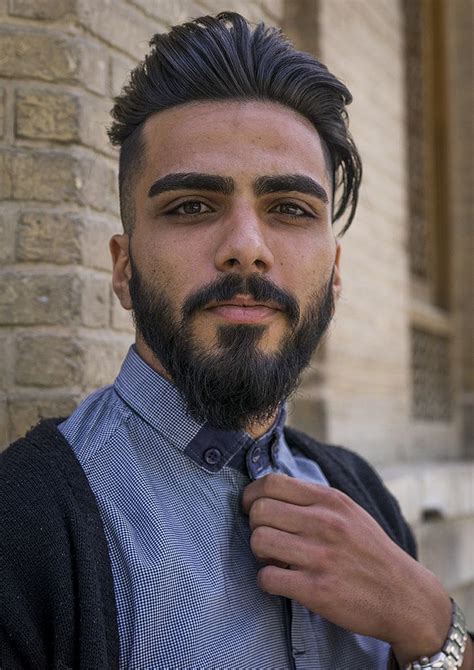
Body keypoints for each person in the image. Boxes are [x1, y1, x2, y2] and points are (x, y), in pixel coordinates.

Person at [0, 12, 472, 670]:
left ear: (335, 273)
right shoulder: (23, 526)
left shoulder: (361, 494)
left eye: (289, 209)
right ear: (122, 265)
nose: (246, 249)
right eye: (191, 206)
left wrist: (434, 626)